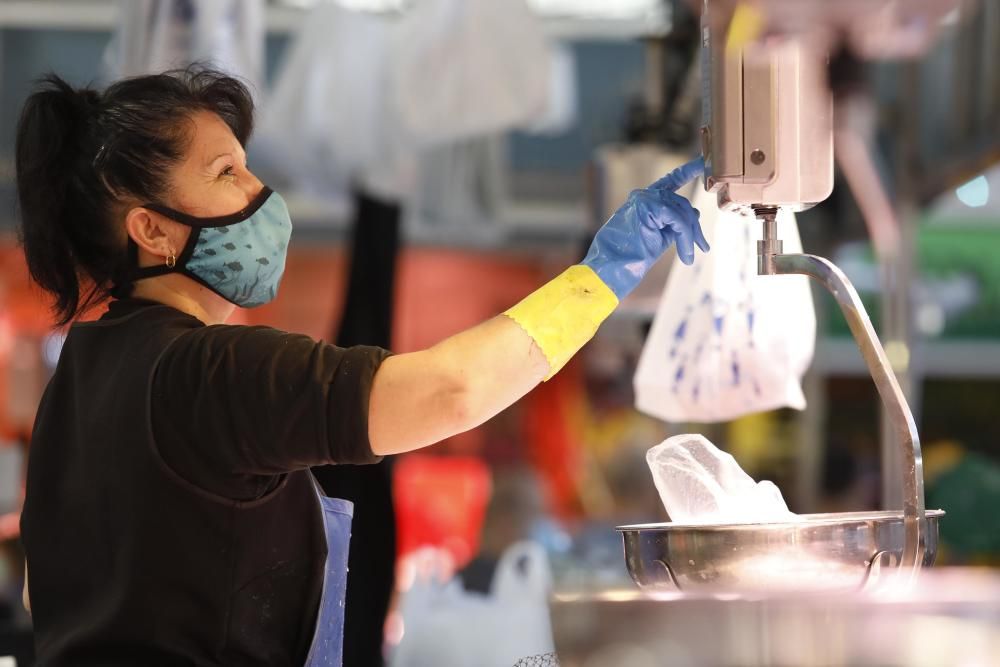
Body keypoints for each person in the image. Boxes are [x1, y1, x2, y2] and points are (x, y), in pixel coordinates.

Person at [15, 67, 708, 666]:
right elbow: (451, 389)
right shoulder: (206, 370)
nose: (260, 194)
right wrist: (602, 275)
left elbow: (43, 591)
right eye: (225, 172)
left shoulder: (78, 378)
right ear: (153, 230)